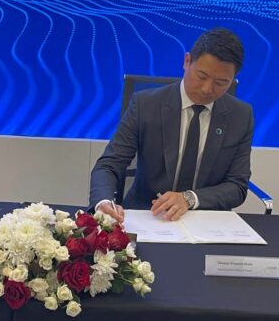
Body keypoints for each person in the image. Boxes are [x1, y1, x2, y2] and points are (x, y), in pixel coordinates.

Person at [90, 27, 253, 223]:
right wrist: (103, 202)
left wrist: (189, 198)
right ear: (187, 61)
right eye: (202, 76)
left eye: (220, 83)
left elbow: (237, 186)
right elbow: (109, 165)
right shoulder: (145, 105)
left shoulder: (241, 116)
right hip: (148, 215)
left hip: (206, 221)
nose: (207, 89)